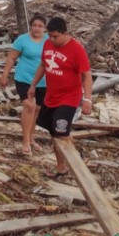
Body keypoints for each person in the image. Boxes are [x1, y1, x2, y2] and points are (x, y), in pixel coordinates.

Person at [28, 16, 92, 178]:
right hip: (51, 96)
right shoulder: (48, 44)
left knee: (61, 132)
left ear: (65, 33)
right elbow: (43, 65)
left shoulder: (77, 49)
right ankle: (62, 166)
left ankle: (74, 167)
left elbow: (87, 75)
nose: (52, 39)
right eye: (50, 35)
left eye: (56, 36)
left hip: (70, 97)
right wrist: (33, 85)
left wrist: (87, 99)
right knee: (54, 132)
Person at [0, 14, 48, 155]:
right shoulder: (22, 40)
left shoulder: (49, 40)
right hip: (24, 78)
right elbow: (11, 58)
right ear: (30, 26)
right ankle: (25, 141)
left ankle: (32, 138)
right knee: (29, 106)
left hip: (43, 81)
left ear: (44, 28)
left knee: (37, 109)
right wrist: (4, 75)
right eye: (34, 25)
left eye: (40, 26)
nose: (37, 28)